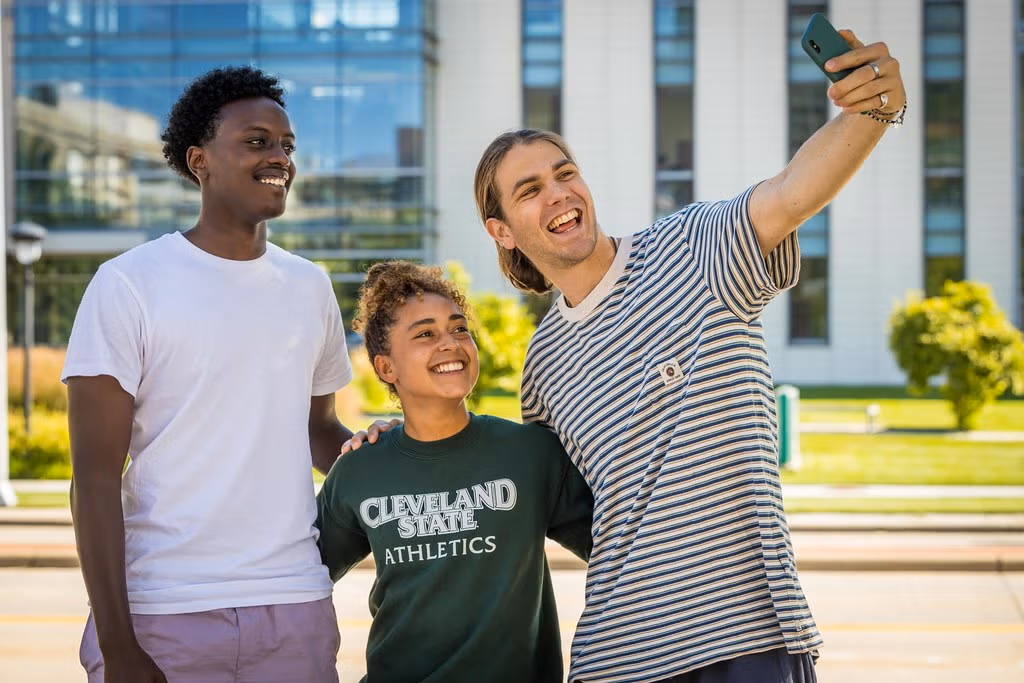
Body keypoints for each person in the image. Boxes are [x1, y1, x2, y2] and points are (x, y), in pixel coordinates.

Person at [350, 28, 907, 683]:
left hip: (748, 641)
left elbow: (795, 189)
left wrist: (871, 110)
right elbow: (557, 505)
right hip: (614, 658)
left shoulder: (697, 249)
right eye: (529, 190)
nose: (558, 193)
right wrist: (399, 439)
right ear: (502, 230)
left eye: (565, 173)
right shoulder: (545, 365)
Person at [62, 66, 357, 683]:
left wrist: (407, 459)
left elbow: (318, 430)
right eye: (256, 141)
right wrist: (118, 645)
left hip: (293, 602)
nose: (279, 157)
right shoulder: (128, 284)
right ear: (199, 160)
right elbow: (93, 478)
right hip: (162, 611)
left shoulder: (309, 286)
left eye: (286, 145)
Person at [316, 261, 594, 682]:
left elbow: (620, 547)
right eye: (425, 334)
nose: (449, 343)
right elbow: (301, 578)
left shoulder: (531, 453)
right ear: (386, 368)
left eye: (459, 328)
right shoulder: (361, 469)